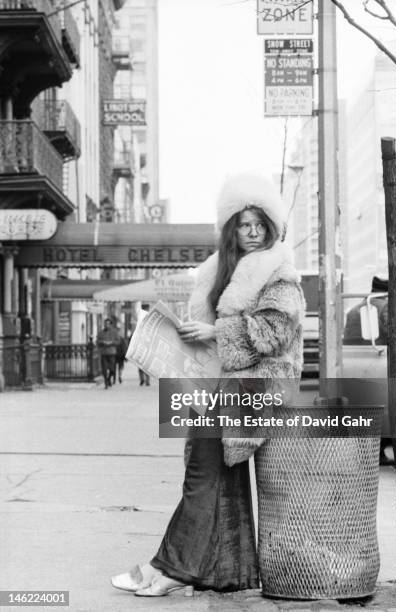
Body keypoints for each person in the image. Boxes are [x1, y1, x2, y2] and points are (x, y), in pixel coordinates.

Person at [111, 173, 305, 597]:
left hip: (257, 390)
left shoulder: (280, 273)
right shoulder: (218, 271)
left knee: (201, 473)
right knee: (220, 480)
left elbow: (273, 332)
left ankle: (168, 569)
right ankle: (228, 574)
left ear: (271, 226)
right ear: (230, 227)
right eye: (244, 223)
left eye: (260, 224)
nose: (252, 232)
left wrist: (216, 332)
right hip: (217, 385)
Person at [97, 318, 119, 389]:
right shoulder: (100, 332)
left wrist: (111, 342)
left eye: (108, 324)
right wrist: (103, 342)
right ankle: (106, 382)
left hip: (112, 353)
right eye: (105, 324)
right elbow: (97, 341)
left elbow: (118, 341)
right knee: (104, 369)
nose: (106, 325)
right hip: (104, 353)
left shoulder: (114, 332)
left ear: (111, 325)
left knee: (112, 370)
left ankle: (109, 379)